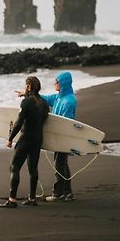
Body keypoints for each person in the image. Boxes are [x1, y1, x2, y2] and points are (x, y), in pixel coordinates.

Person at [0, 76, 49, 208]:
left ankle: (12, 200)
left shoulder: (26, 102)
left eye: (25, 86)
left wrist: (10, 138)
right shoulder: (44, 104)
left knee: (14, 167)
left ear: (28, 87)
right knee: (33, 168)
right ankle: (32, 198)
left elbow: (19, 122)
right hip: (38, 139)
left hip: (26, 138)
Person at [41, 71, 77, 202]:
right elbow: (44, 98)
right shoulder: (58, 97)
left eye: (56, 81)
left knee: (59, 164)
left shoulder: (68, 101)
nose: (54, 83)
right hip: (58, 138)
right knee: (62, 163)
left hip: (64, 138)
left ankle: (59, 193)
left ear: (63, 83)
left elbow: (66, 125)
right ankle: (67, 192)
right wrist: (28, 94)